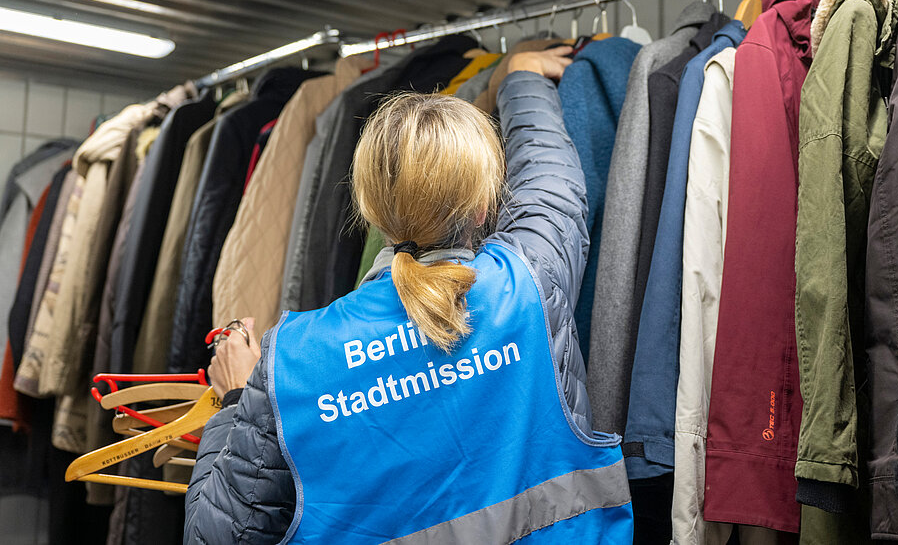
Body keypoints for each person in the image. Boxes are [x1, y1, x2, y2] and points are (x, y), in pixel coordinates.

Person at [184, 46, 634, 544]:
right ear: (484, 206)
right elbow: (551, 181)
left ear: (370, 210)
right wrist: (521, 77)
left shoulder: (292, 361)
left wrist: (235, 402)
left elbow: (214, 536)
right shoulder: (529, 282)